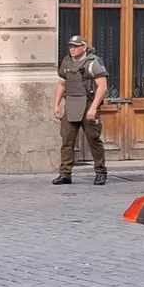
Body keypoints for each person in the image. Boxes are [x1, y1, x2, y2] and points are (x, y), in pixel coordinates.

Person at [52, 35, 109, 186]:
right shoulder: (66, 62)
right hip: (71, 103)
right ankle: (65, 173)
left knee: (93, 139)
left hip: (88, 103)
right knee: (67, 140)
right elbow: (62, 84)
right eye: (71, 46)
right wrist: (56, 104)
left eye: (76, 46)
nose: (72, 49)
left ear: (84, 47)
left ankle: (101, 172)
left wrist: (94, 107)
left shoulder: (93, 62)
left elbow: (102, 86)